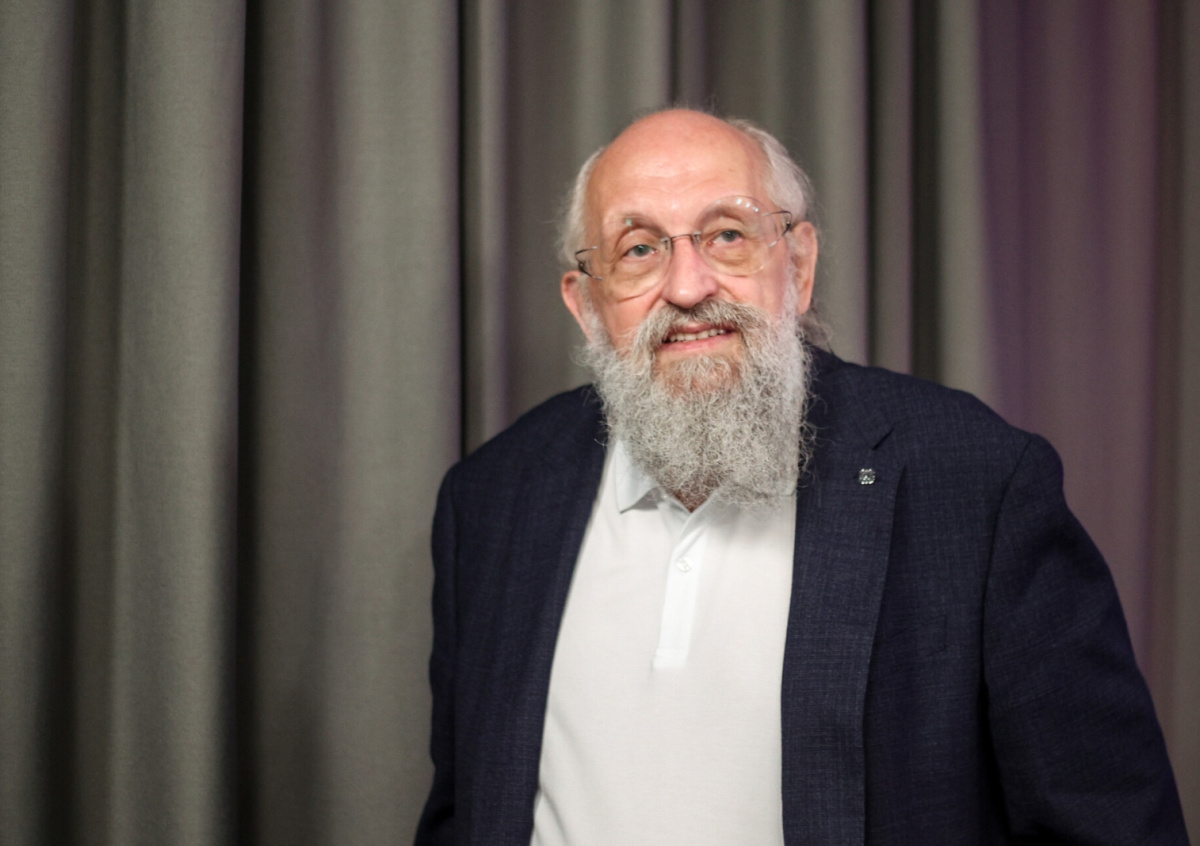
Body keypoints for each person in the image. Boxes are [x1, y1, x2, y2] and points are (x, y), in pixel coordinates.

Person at [414, 109, 1189, 845]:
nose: (688, 287)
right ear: (586, 305)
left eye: (727, 234)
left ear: (800, 264)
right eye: (639, 249)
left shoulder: (973, 479)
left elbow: (1111, 825)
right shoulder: (492, 501)